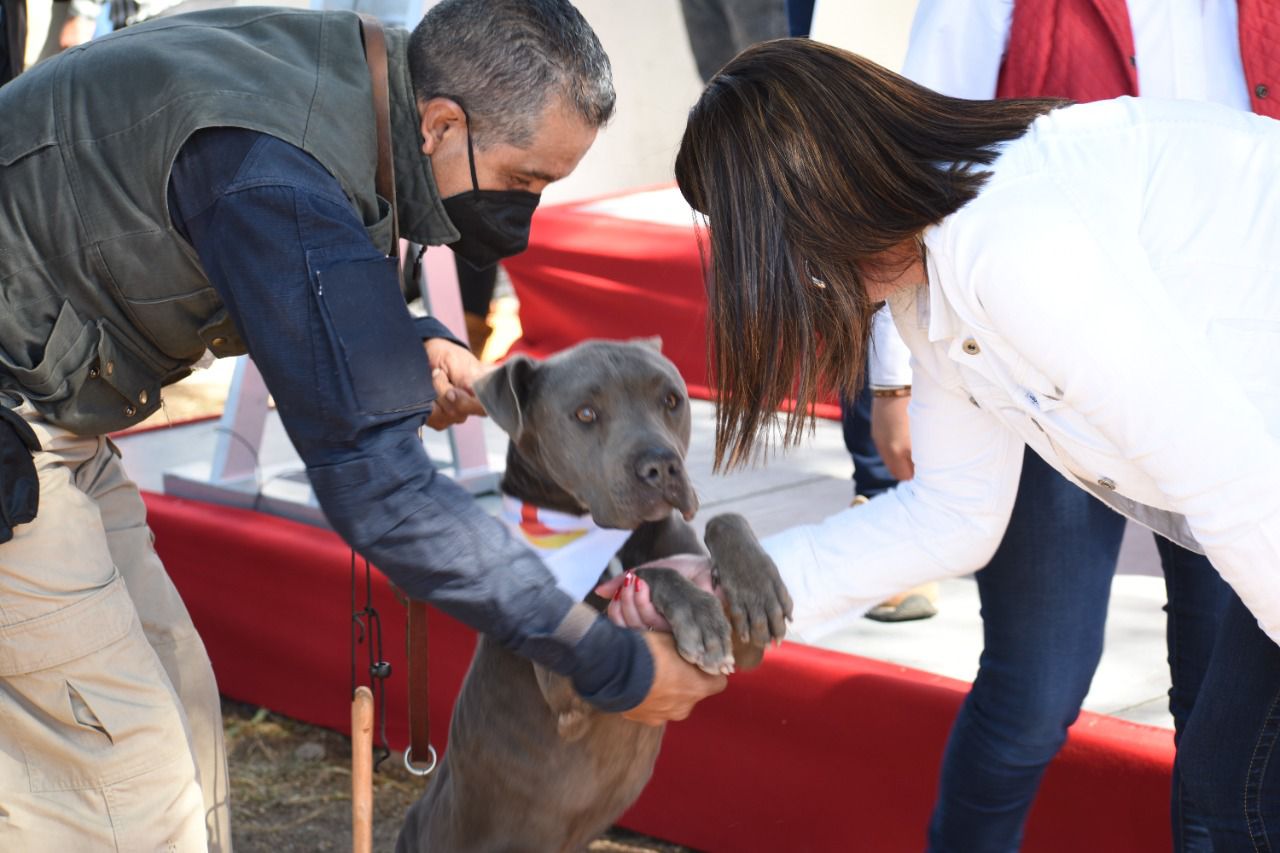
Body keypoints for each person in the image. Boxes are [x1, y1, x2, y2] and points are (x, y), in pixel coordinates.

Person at [0, 1, 724, 848]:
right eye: (525, 180)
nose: (524, 217)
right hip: (18, 437)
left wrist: (399, 341)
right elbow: (382, 490)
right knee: (126, 769)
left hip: (57, 418)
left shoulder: (344, 84)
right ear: (443, 123)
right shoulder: (275, 164)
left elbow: (270, 263)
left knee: (180, 705)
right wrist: (611, 663)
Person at [669, 39, 1280, 849]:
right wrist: (741, 589)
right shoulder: (935, 278)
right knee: (1226, 786)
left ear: (812, 205)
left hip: (1258, 482)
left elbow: (1232, 481)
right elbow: (956, 513)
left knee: (1229, 792)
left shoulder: (1013, 241)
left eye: (755, 243)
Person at [851, 1, 1262, 848]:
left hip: (1229, 371)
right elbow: (914, 141)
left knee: (1222, 715)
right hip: (1039, 356)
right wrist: (893, 374)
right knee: (1034, 687)